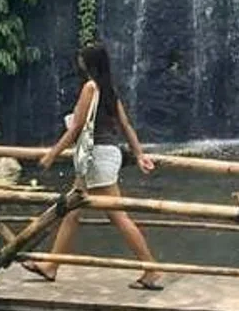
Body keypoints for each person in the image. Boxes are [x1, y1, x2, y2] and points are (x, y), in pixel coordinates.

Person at [32, 41, 163, 289]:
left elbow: (77, 128)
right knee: (72, 210)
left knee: (117, 216)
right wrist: (139, 154)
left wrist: (52, 154)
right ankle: (51, 265)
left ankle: (151, 269)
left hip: (96, 157)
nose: (78, 60)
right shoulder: (108, 89)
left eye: (81, 57)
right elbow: (125, 126)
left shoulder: (90, 88)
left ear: (88, 62)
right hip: (103, 154)